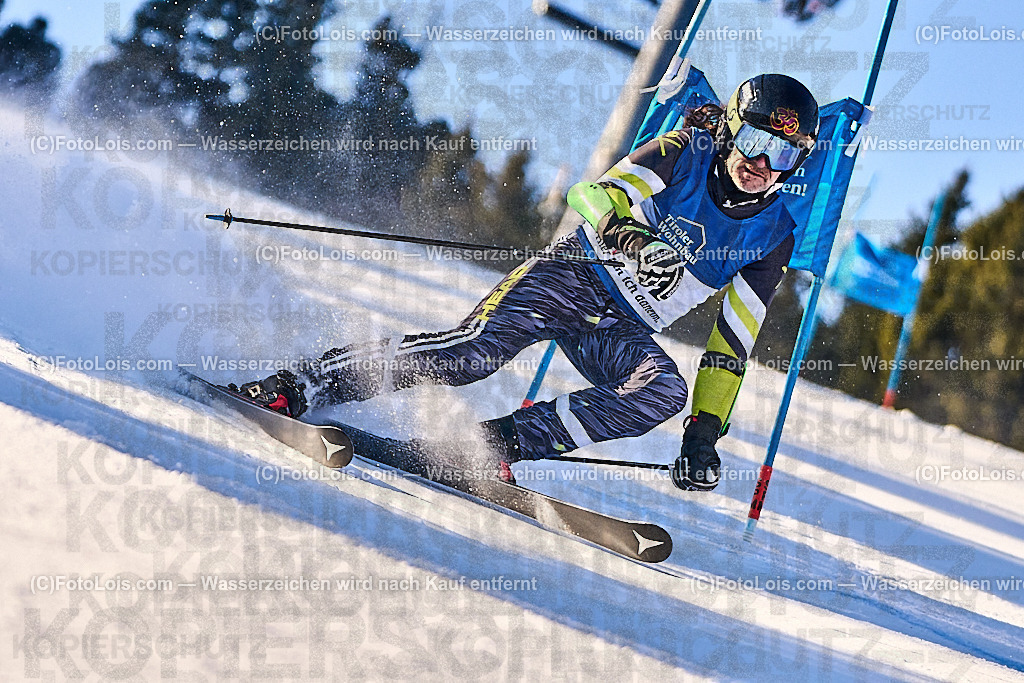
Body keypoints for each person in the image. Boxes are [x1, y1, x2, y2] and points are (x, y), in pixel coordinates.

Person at [233, 73, 819, 490]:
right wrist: (632, 239)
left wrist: (705, 433)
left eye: (783, 155)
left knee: (660, 392)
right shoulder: (683, 151)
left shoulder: (774, 236)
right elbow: (593, 194)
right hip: (574, 276)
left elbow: (731, 343)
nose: (761, 162)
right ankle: (302, 384)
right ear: (731, 130)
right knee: (473, 353)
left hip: (618, 325)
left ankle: (494, 447)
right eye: (755, 140)